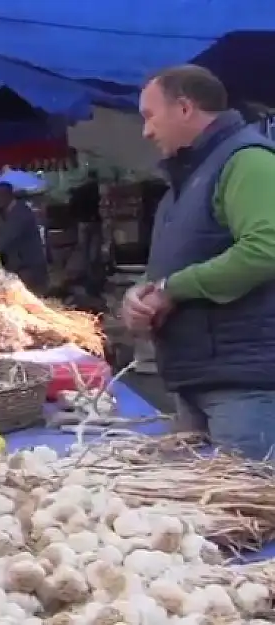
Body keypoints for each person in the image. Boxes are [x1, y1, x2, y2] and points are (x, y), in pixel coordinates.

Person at [122, 65, 275, 460]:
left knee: (244, 513)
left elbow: (266, 247)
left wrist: (173, 289)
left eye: (149, 116)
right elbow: (180, 261)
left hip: (243, 386)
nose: (146, 131)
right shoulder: (187, 177)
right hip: (197, 378)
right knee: (201, 514)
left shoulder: (248, 160)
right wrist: (142, 294)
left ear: (185, 108)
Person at [0, 182, 49, 294]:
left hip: (30, 267)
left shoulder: (20, 211)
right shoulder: (7, 212)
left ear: (8, 195)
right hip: (21, 266)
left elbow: (7, 237)